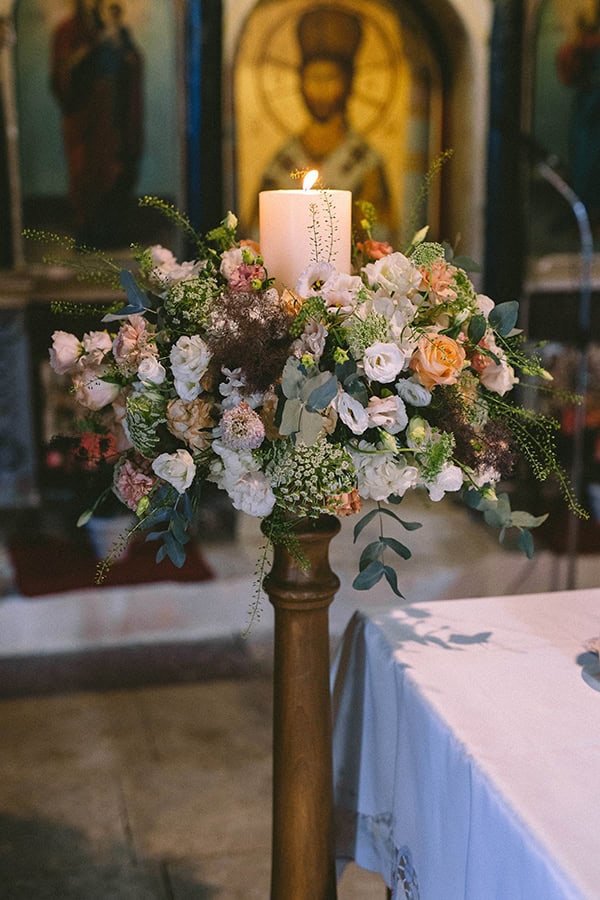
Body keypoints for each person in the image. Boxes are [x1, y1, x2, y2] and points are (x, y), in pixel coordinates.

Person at [259, 5, 392, 235]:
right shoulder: (283, 162)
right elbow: (258, 230)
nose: (320, 89)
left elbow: (380, 234)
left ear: (349, 83)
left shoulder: (365, 163)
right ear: (300, 83)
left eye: (330, 78)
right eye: (313, 78)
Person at [50, 0, 143, 246]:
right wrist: (80, 60)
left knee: (114, 169)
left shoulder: (117, 32)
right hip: (84, 120)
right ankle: (88, 230)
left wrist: (126, 60)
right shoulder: (67, 31)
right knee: (86, 174)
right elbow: (62, 77)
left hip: (112, 118)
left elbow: (132, 63)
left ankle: (112, 231)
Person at [556, 3, 600, 226]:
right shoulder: (584, 35)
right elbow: (568, 73)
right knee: (583, 157)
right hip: (588, 104)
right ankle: (582, 212)